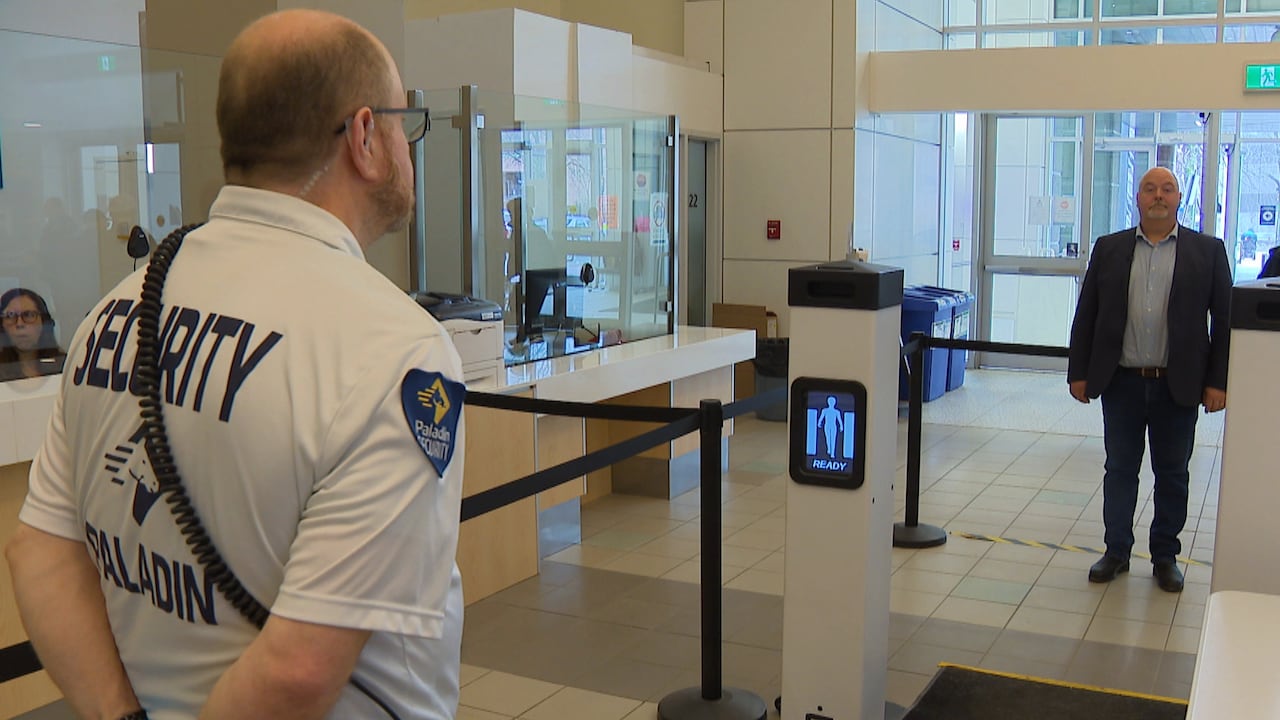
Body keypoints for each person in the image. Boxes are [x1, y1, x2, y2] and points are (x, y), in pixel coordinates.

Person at [5, 10, 467, 720]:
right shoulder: (395, 350)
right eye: (407, 122)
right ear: (366, 137)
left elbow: (38, 548)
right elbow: (299, 670)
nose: (410, 145)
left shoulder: (115, 313)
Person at [1067, 166, 1231, 594]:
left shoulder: (1208, 251)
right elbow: (1087, 314)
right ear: (1137, 198)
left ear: (1179, 199)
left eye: (1167, 189)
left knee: (1172, 473)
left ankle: (1165, 556)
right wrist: (1079, 372)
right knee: (1120, 469)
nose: (1158, 195)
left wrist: (1219, 382)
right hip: (1120, 382)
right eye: (1149, 188)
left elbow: (1225, 323)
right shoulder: (1109, 248)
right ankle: (1116, 551)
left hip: (1178, 385)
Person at [0, 288, 67, 381]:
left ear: (44, 323)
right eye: (10, 316)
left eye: (29, 315)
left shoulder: (66, 366)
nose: (20, 324)